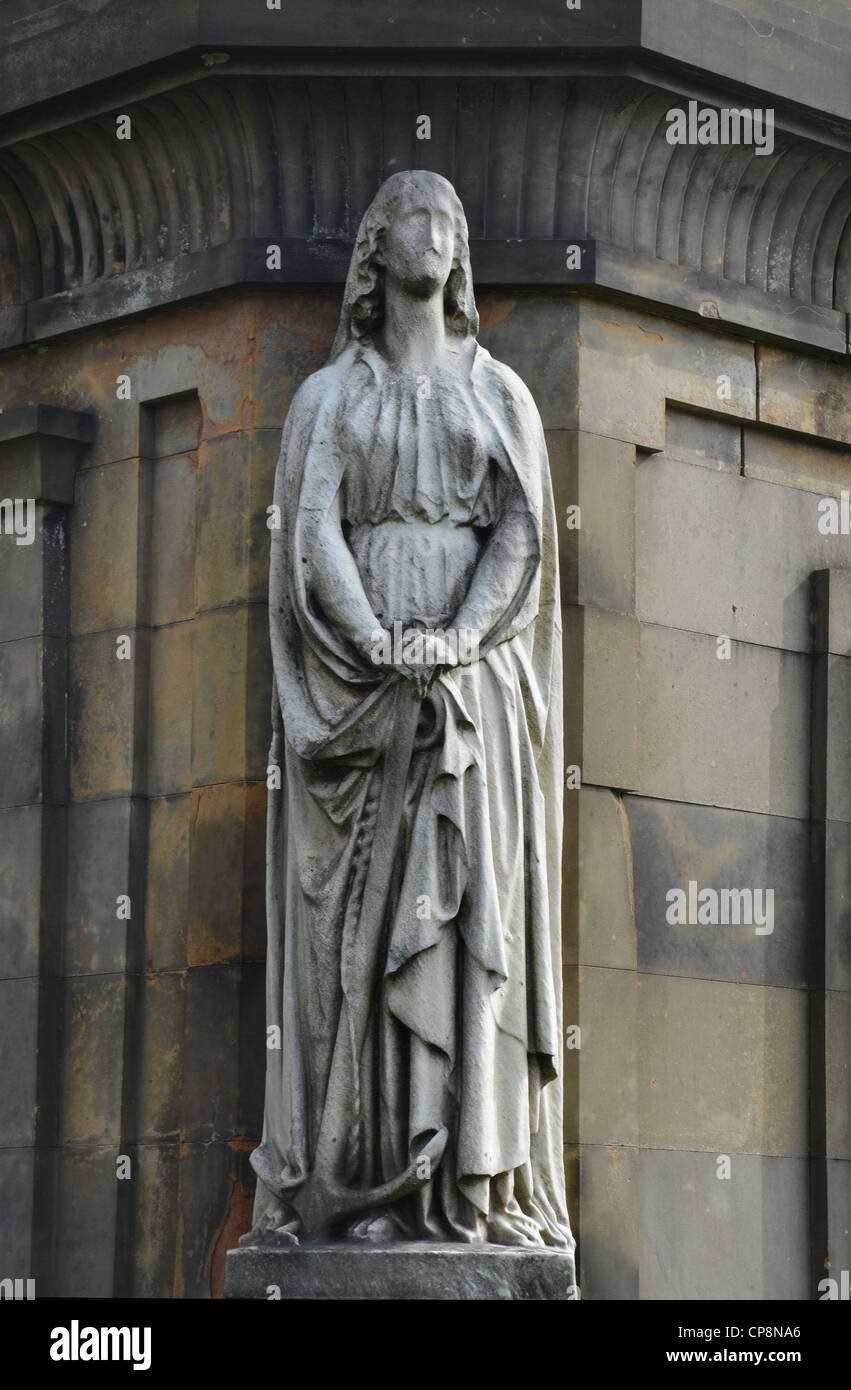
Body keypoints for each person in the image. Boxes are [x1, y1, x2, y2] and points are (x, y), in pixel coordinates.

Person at [246, 169, 575, 1255]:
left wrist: (458, 639)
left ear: (460, 251)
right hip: (359, 691)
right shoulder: (329, 399)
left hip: (468, 699)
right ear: (376, 252)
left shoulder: (501, 395)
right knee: (360, 945)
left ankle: (467, 1191)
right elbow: (312, 536)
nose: (431, 233)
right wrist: (380, 642)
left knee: (458, 933)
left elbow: (520, 536)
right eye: (410, 217)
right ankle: (372, 1187)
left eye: (448, 218)